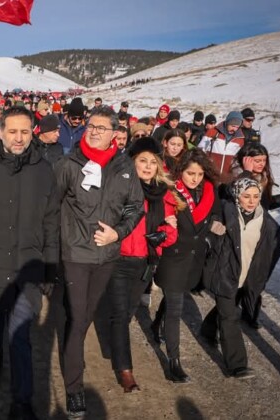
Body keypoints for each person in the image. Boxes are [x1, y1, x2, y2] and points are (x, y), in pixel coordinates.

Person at [0, 107, 60, 419]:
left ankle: (22, 400)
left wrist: (50, 267)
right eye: (13, 131)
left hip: (27, 266)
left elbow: (51, 222)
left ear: (32, 132)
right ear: (1, 132)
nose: (19, 138)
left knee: (20, 334)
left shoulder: (44, 170)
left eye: (25, 131)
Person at [53, 106, 144, 418]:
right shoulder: (69, 163)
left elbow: (135, 206)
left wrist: (119, 233)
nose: (93, 131)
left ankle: (71, 348)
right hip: (75, 255)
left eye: (101, 128)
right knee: (78, 319)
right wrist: (54, 249)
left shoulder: (125, 166)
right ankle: (74, 388)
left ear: (114, 134)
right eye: (91, 126)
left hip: (106, 256)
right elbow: (51, 206)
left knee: (85, 317)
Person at [96, 137, 183, 393]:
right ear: (132, 163)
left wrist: (163, 234)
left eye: (152, 162)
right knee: (120, 313)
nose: (147, 167)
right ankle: (126, 371)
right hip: (119, 259)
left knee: (127, 313)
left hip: (145, 263)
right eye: (142, 161)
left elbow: (172, 231)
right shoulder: (121, 190)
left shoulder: (164, 195)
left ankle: (115, 345)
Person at [152, 148, 223, 384]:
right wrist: (165, 222)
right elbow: (156, 217)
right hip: (173, 257)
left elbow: (215, 216)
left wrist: (211, 235)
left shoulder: (209, 192)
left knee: (175, 297)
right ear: (181, 171)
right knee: (175, 309)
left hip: (194, 259)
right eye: (191, 173)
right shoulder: (170, 191)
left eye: (200, 174)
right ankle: (174, 362)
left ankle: (155, 324)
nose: (195, 178)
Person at [200, 176, 278, 378]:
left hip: (246, 277)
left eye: (256, 196)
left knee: (225, 308)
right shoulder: (225, 212)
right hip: (224, 272)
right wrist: (212, 226)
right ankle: (237, 365)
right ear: (237, 196)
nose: (252, 201)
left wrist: (258, 280)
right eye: (246, 196)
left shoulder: (266, 223)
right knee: (230, 316)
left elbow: (267, 255)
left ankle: (207, 329)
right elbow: (205, 222)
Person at [226, 143, 280, 327]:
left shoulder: (263, 178)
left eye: (264, 160)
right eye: (257, 160)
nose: (261, 164)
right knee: (241, 278)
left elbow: (264, 205)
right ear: (246, 159)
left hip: (260, 233)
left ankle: (250, 312)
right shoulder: (234, 175)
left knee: (257, 275)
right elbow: (230, 198)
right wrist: (246, 173)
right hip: (242, 233)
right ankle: (216, 323)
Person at [198, 111, 246, 184]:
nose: (234, 129)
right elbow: (200, 151)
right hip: (209, 176)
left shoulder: (240, 139)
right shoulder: (212, 132)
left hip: (227, 179)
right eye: (232, 126)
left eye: (237, 127)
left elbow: (237, 160)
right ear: (227, 122)